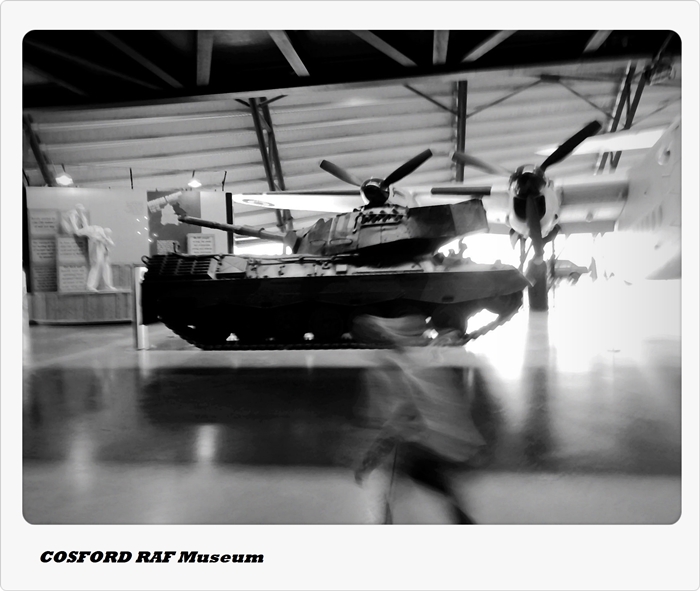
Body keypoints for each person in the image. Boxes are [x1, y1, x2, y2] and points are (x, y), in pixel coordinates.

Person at [352, 314, 485, 524]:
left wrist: (372, 456)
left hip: (417, 445)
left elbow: (402, 415)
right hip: (421, 443)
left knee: (412, 487)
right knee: (429, 489)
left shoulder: (395, 368)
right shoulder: (414, 363)